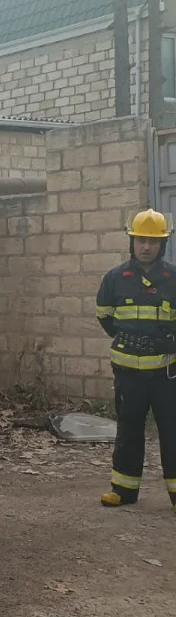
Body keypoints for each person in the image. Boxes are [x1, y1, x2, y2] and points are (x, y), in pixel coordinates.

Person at [95, 209, 176, 511]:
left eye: (153, 241)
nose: (146, 246)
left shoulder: (173, 279)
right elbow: (105, 317)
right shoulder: (115, 279)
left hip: (166, 375)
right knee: (128, 431)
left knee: (173, 431)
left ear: (162, 244)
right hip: (128, 373)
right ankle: (124, 490)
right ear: (132, 241)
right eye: (141, 240)